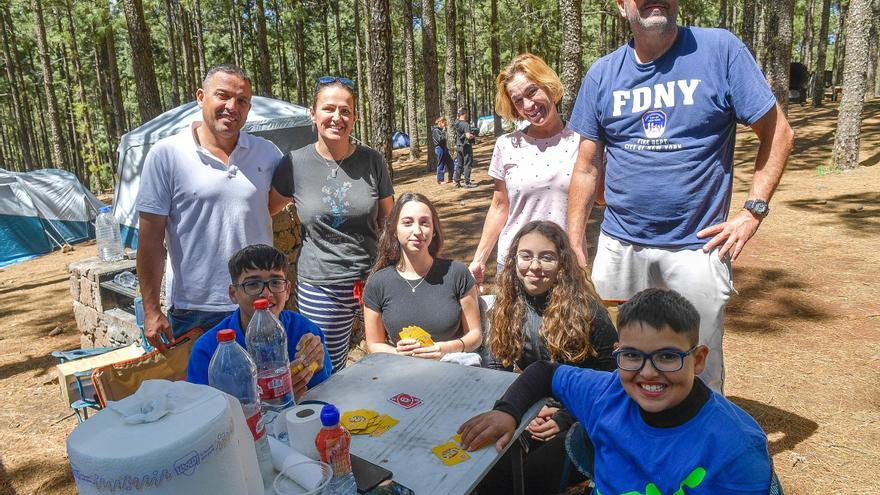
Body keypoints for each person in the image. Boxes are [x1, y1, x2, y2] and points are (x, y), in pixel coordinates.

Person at [565, 0, 794, 393]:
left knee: (697, 364)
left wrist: (752, 211)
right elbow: (586, 167)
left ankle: (702, 445)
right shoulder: (603, 74)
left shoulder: (719, 51)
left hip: (697, 247)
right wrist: (573, 240)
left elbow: (779, 134)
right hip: (621, 245)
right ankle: (634, 443)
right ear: (622, 7)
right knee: (622, 358)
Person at [459, 288, 777, 494]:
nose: (648, 372)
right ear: (618, 353)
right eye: (633, 356)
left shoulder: (736, 444)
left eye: (668, 356)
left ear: (697, 360)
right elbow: (546, 372)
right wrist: (507, 412)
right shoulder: (607, 394)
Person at [137, 64, 283, 351]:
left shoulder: (267, 153)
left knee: (266, 388)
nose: (232, 106)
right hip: (196, 308)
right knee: (203, 395)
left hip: (257, 302)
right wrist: (151, 309)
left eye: (242, 101)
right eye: (223, 96)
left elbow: (268, 209)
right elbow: (150, 238)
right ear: (201, 97)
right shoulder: (167, 154)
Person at [479, 220, 618, 494]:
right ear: (514, 258)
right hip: (526, 410)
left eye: (547, 257)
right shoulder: (506, 305)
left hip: (583, 419)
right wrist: (523, 408)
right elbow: (494, 365)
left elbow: (612, 380)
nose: (535, 266)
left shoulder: (588, 312)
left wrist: (568, 415)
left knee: (530, 477)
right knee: (486, 469)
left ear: (563, 264)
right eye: (526, 256)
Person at [269, 76, 394, 373]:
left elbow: (390, 219)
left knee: (389, 360)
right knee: (325, 367)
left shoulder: (372, 161)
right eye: (329, 109)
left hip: (373, 279)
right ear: (312, 114)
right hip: (321, 285)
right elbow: (266, 212)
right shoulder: (293, 164)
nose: (337, 117)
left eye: (346, 110)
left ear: (354, 117)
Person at [469, 54, 582, 290]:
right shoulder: (507, 145)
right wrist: (479, 259)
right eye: (518, 101)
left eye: (532, 92)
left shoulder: (581, 143)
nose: (528, 106)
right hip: (515, 265)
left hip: (563, 265)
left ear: (548, 85)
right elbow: (500, 207)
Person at [187, 244, 331, 400]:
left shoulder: (304, 330)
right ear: (233, 294)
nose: (266, 293)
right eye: (253, 284)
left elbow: (325, 390)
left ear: (287, 290)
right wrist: (265, 403)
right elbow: (201, 412)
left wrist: (316, 366)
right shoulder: (208, 350)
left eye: (275, 282)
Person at [363, 192, 482, 359]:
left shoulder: (457, 273)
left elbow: (475, 335)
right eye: (407, 223)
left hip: (453, 370)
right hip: (402, 373)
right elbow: (374, 344)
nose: (417, 231)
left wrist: (445, 348)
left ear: (434, 230)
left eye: (425, 223)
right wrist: (397, 353)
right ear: (394, 230)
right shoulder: (378, 283)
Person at [452, 107, 476, 188]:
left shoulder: (457, 122)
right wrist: (472, 135)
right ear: (465, 113)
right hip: (465, 146)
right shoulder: (465, 124)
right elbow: (468, 136)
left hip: (458, 145)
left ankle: (456, 181)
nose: (468, 115)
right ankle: (467, 182)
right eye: (467, 113)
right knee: (467, 163)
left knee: (459, 163)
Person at [432, 117, 454, 185]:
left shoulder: (440, 130)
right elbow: (440, 140)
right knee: (441, 164)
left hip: (444, 148)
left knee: (450, 162)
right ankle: (440, 179)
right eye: (444, 123)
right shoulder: (436, 130)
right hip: (439, 148)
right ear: (440, 122)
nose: (445, 125)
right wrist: (443, 132)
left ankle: (451, 177)